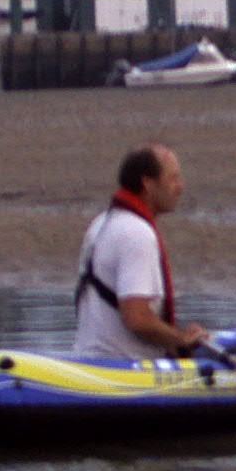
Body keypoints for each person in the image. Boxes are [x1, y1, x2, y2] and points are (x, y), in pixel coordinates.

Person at [75, 143, 209, 362]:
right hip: (122, 366)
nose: (181, 186)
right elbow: (137, 319)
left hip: (88, 359)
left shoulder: (101, 222)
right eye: (173, 178)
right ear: (148, 184)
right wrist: (181, 340)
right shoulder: (137, 233)